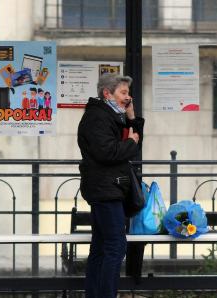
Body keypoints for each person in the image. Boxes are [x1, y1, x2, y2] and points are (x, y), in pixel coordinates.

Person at [77, 74, 144, 298]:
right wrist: (130, 142)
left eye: (128, 93)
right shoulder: (97, 117)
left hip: (108, 189)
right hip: (104, 190)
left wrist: (132, 117)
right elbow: (108, 152)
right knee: (115, 246)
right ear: (107, 93)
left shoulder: (113, 116)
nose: (128, 97)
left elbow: (134, 141)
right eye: (123, 93)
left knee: (101, 247)